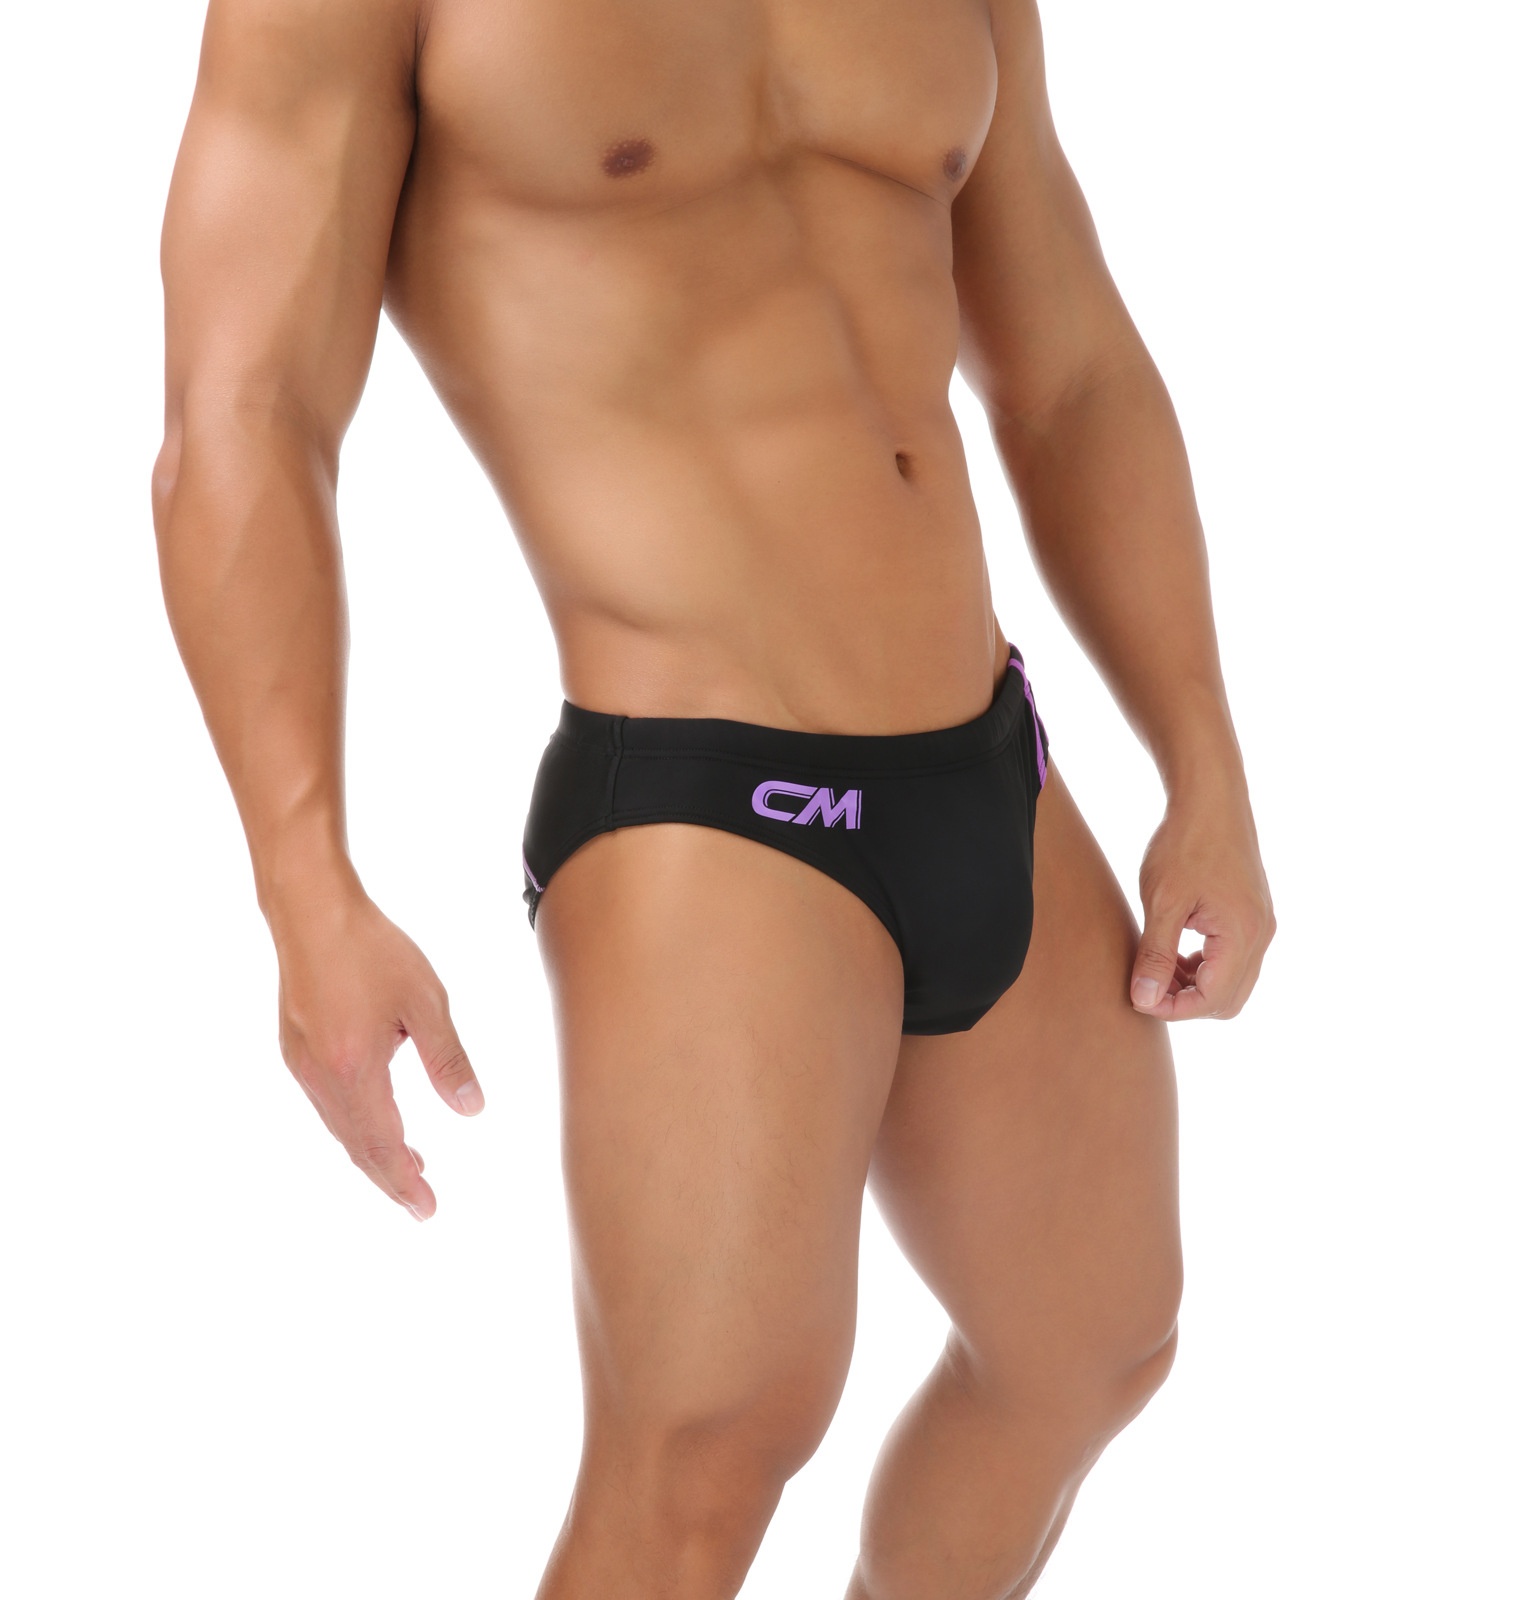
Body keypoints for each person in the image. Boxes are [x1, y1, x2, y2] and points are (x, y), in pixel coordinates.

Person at [153, 0, 1274, 1593]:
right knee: (701, 1456)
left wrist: (1203, 758)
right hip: (708, 795)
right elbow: (243, 413)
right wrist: (303, 883)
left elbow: (1070, 369)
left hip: (987, 761)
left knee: (1089, 1346)